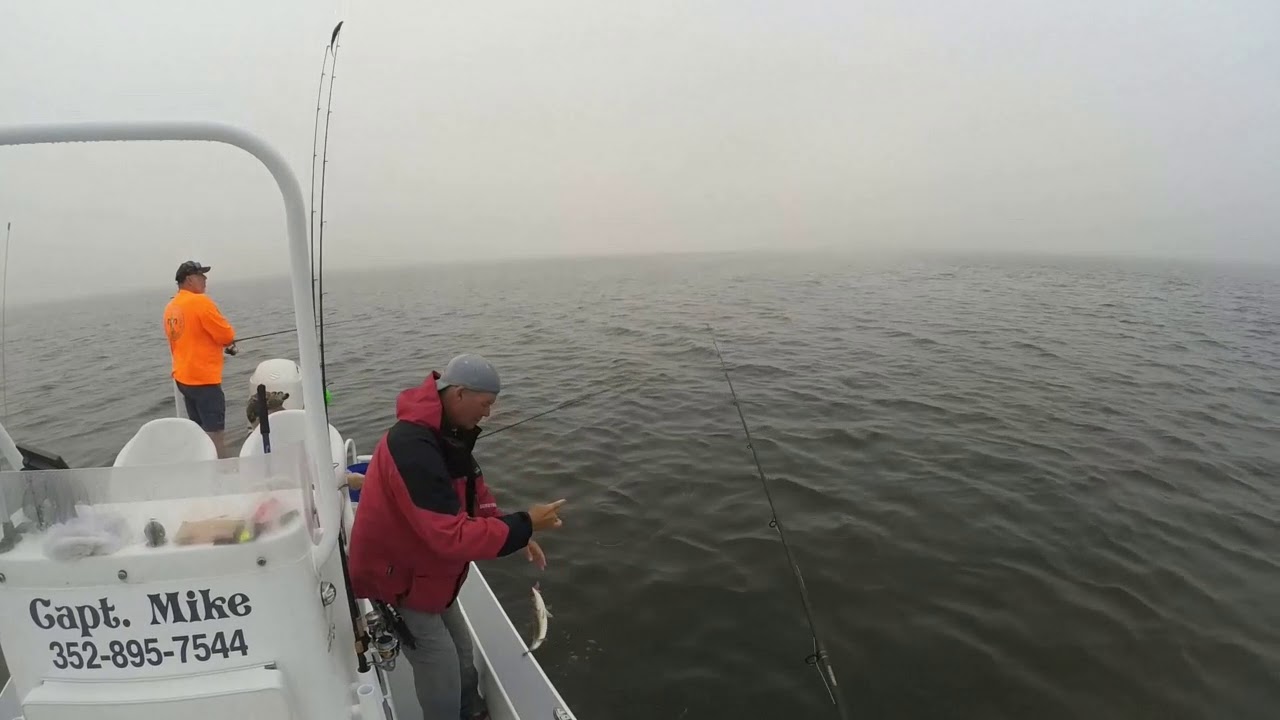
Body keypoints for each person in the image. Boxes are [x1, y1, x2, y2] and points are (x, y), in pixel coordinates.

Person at [347, 354, 565, 720]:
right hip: (398, 578)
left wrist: (514, 530)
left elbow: (474, 491)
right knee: (441, 669)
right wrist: (525, 523)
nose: (489, 414)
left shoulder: (448, 433)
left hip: (431, 573)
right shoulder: (412, 446)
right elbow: (449, 536)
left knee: (463, 655)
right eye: (486, 404)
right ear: (459, 393)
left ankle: (471, 712)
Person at [163, 260, 238, 458]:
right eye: (201, 275)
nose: (205, 279)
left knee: (198, 430)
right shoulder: (200, 302)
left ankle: (201, 464)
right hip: (204, 381)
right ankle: (220, 471)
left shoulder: (171, 306)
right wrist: (228, 342)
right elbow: (226, 335)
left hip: (183, 379)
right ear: (189, 279)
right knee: (215, 434)